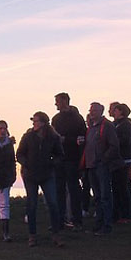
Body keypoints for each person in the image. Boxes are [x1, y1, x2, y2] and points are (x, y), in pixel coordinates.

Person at [18, 111, 65, 247]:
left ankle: (56, 235)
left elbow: (60, 155)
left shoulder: (53, 138)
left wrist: (51, 163)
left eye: (36, 121)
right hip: (30, 175)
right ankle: (32, 236)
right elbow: (19, 154)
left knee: (53, 204)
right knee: (32, 205)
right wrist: (27, 164)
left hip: (47, 175)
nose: (34, 123)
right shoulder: (28, 137)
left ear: (43, 123)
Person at [83, 102, 120, 236]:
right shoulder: (91, 127)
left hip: (101, 166)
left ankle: (107, 225)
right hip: (91, 165)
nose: (91, 112)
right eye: (90, 110)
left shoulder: (107, 126)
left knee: (104, 196)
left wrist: (103, 159)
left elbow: (114, 146)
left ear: (101, 111)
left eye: (94, 110)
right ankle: (99, 224)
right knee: (98, 197)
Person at [52, 93, 87, 230]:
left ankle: (77, 221)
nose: (56, 104)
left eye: (57, 101)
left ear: (65, 101)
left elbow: (82, 138)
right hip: (58, 159)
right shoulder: (56, 119)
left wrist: (66, 140)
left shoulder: (77, 118)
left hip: (72, 158)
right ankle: (60, 220)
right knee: (59, 190)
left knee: (73, 189)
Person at [110, 102, 131, 223]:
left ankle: (125, 214)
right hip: (117, 159)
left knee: (122, 187)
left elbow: (125, 141)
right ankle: (118, 213)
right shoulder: (117, 124)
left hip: (123, 160)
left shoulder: (125, 124)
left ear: (121, 111)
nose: (113, 112)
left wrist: (112, 143)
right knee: (118, 187)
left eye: (115, 110)